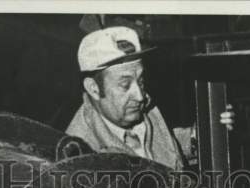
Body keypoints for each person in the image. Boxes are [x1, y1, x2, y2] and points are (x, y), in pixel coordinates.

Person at [65, 26, 233, 170]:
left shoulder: (142, 109)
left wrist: (201, 133)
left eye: (141, 81)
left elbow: (160, 146)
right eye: (125, 85)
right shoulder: (79, 156)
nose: (139, 96)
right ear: (93, 88)